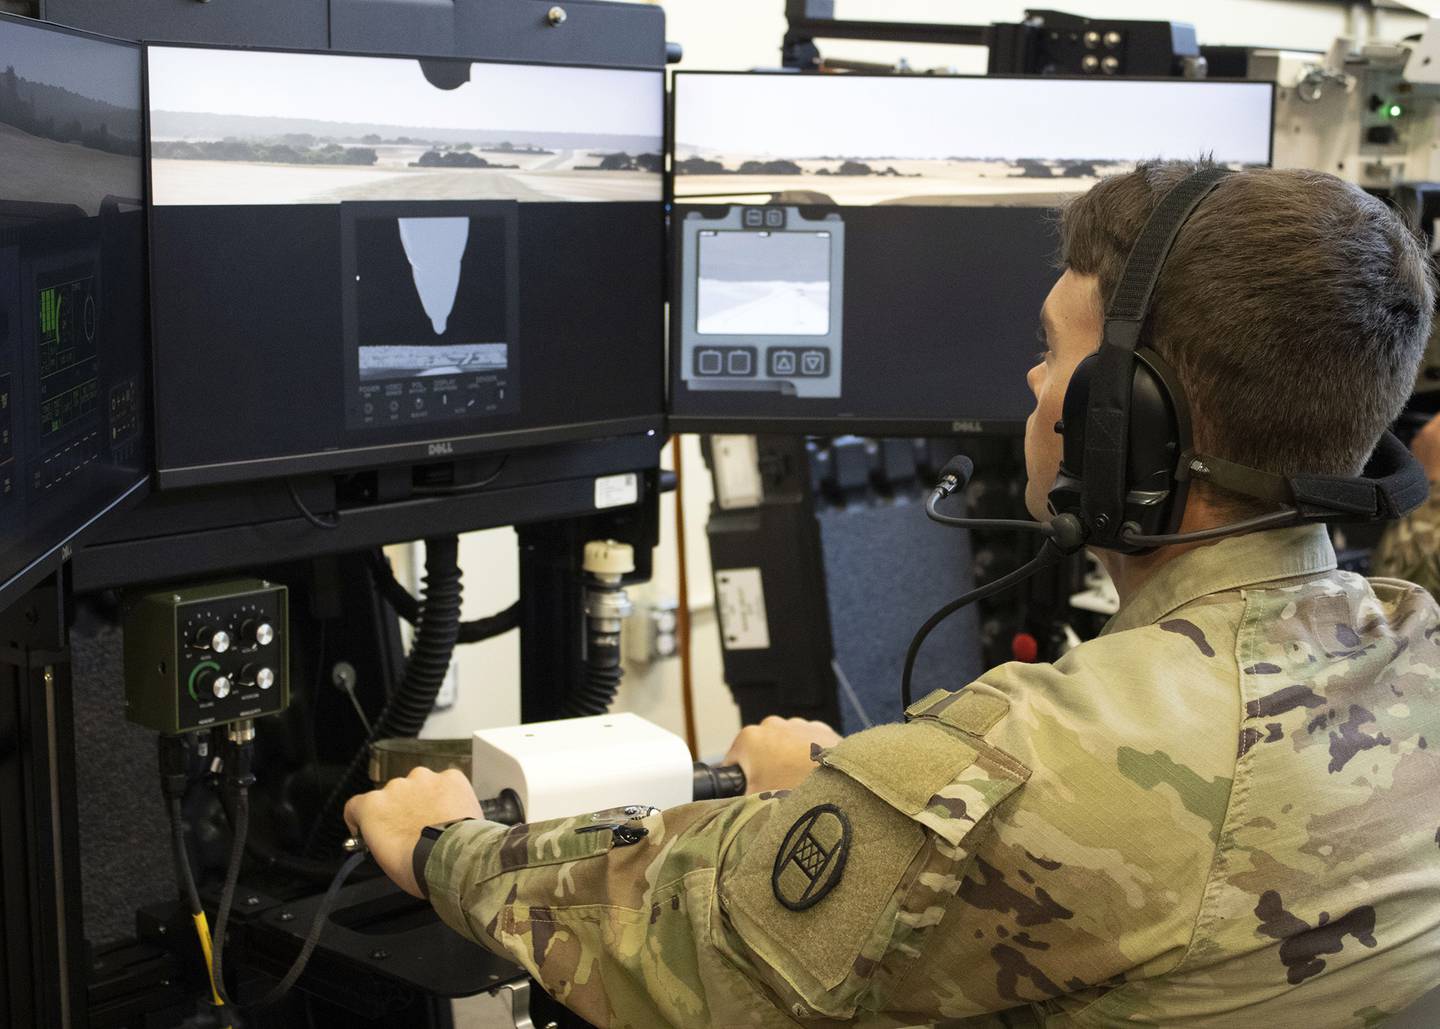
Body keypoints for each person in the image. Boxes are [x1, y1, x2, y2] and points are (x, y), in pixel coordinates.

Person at [346, 161, 1440, 1027]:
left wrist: (445, 845)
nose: (1030, 382)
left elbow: (679, 952)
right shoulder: (1415, 648)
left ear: (1128, 427)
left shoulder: (1032, 763)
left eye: (1051, 355)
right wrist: (861, 797)